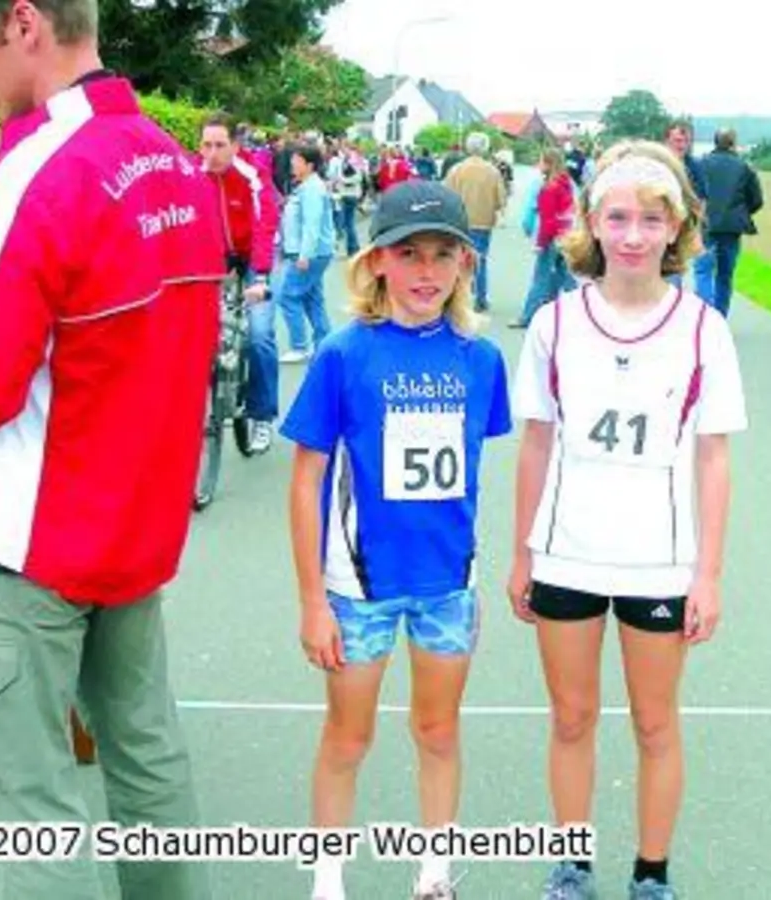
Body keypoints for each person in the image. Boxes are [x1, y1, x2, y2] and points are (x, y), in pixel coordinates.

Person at [0, 2, 220, 898]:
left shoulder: (35, 167)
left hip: (28, 538)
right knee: (148, 763)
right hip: (129, 527)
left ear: (25, 23)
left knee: (32, 816)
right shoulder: (176, 163)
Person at [507, 139, 746, 900]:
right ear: (593, 223)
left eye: (651, 218)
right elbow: (537, 443)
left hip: (659, 561)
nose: (634, 234)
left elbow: (713, 459)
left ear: (676, 227)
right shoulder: (554, 322)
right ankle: (572, 865)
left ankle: (651, 873)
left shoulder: (705, 327)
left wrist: (707, 573)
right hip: (567, 555)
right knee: (572, 719)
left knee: (653, 723)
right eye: (618, 217)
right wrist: (523, 555)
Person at [281, 180, 513, 900]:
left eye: (444, 254)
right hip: (359, 590)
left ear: (465, 266)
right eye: (408, 253)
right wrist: (313, 601)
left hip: (447, 585)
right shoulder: (344, 355)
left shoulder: (480, 361)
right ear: (376, 261)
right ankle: (327, 876)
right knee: (348, 737)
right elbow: (305, 483)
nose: (426, 271)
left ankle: (435, 870)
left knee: (438, 731)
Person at [200, 114, 282, 453]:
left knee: (259, 334)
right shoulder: (194, 174)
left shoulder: (253, 174)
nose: (212, 153)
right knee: (197, 331)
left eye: (220, 145)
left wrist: (261, 276)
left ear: (236, 146)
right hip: (217, 257)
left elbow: (266, 223)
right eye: (206, 144)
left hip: (254, 255)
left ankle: (262, 414)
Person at [276, 143, 338, 363]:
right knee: (313, 299)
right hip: (309, 252)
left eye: (296, 161)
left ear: (309, 165)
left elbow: (311, 225)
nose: (292, 164)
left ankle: (299, 345)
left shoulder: (312, 189)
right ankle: (324, 343)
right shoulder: (306, 186)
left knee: (288, 296)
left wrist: (304, 255)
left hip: (310, 254)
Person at [696, 128, 764, 316]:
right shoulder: (744, 167)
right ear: (733, 143)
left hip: (706, 223)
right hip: (732, 227)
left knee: (703, 271)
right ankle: (719, 316)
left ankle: (704, 314)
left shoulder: (701, 164)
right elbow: (757, 199)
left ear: (715, 141)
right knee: (725, 275)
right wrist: (741, 212)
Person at [442, 131, 509, 314]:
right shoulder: (492, 171)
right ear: (485, 148)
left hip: (459, 221)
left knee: (458, 259)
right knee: (480, 260)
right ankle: (480, 298)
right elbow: (500, 199)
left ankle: (457, 297)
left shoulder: (456, 170)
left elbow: (445, 195)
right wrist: (498, 211)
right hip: (483, 222)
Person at [513, 147, 579, 328]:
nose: (538, 164)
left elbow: (547, 220)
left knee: (541, 278)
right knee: (565, 278)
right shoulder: (566, 183)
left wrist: (540, 243)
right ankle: (580, 311)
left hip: (552, 239)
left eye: (541, 161)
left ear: (548, 164)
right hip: (566, 235)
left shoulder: (548, 189)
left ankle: (527, 317)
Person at [663, 121, 710, 297]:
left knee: (673, 273)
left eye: (685, 141)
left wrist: (697, 232)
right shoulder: (657, 164)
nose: (681, 145)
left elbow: (701, 200)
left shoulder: (694, 167)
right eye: (677, 140)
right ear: (667, 140)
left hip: (681, 227)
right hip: (657, 223)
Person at [326, 140, 364, 257]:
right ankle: (353, 248)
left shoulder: (353, 160)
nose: (342, 150)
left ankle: (353, 247)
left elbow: (358, 178)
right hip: (346, 194)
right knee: (348, 223)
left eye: (343, 148)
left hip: (349, 194)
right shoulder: (347, 160)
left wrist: (341, 180)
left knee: (346, 223)